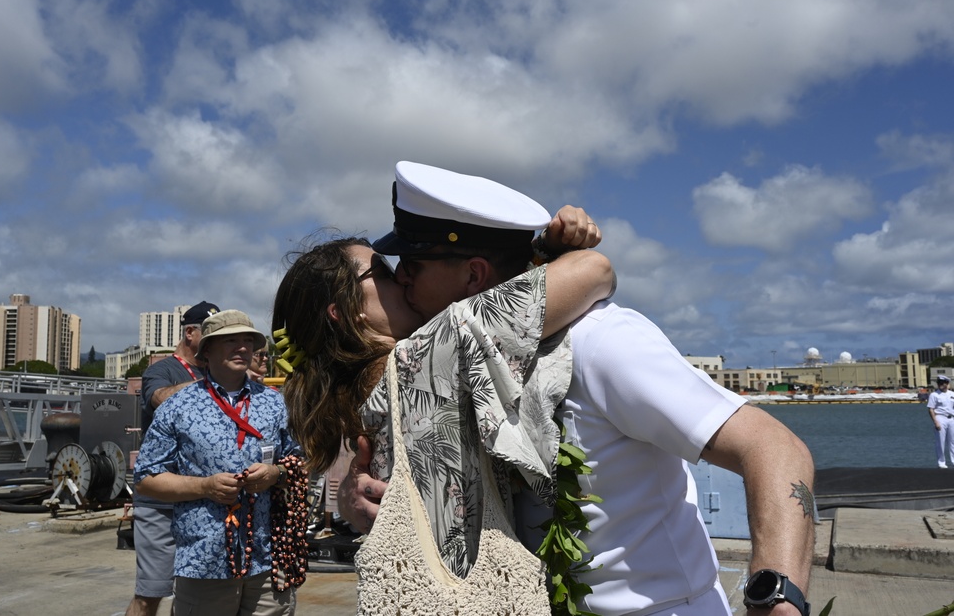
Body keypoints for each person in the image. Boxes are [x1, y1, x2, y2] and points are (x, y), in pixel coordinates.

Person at [339, 161, 817, 616]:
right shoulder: (448, 372)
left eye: (412, 266)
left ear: (473, 275)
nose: (401, 280)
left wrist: (776, 595)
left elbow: (772, 447)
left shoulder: (601, 341)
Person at [273, 173, 612, 581]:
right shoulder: (425, 356)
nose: (400, 276)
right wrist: (544, 247)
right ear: (345, 311)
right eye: (381, 272)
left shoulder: (366, 390)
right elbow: (595, 269)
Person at [134, 310, 305, 616]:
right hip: (205, 561)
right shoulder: (179, 406)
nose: (242, 347)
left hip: (267, 559)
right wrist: (205, 486)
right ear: (208, 351)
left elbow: (299, 461)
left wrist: (275, 473)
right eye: (231, 340)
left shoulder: (275, 402)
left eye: (248, 341)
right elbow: (147, 477)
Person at [127, 300, 220, 616]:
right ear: (190, 333)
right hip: (160, 501)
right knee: (150, 594)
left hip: (202, 500)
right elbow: (158, 397)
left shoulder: (216, 374)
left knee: (199, 594)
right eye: (210, 333)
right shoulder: (162, 370)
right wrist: (209, 386)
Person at [927, 374, 954, 469]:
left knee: (953, 442)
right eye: (940, 383)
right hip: (940, 418)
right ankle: (941, 462)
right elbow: (931, 409)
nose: (942, 385)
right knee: (940, 442)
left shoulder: (952, 394)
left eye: (944, 383)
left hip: (951, 419)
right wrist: (935, 422)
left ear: (947, 384)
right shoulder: (934, 395)